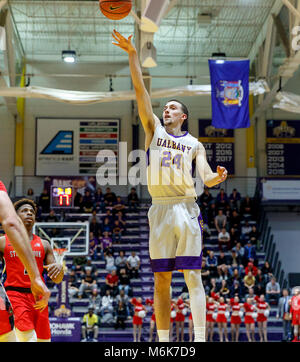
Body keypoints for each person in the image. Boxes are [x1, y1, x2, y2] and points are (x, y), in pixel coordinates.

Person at [112, 29, 228, 343]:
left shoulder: (194, 143)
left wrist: (218, 177)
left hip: (186, 208)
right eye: (165, 107)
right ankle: (164, 344)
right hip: (159, 209)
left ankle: (200, 338)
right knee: (161, 281)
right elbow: (140, 91)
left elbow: (206, 178)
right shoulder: (154, 130)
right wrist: (133, 55)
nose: (167, 110)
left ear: (184, 116)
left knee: (192, 276)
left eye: (173, 108)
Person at [1, 198, 62, 342]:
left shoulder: (45, 244)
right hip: (15, 295)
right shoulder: (3, 242)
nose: (29, 213)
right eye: (24, 211)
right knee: (28, 338)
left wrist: (59, 268)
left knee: (43, 340)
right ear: (15, 217)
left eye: (32, 212)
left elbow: (57, 279)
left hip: (39, 298)